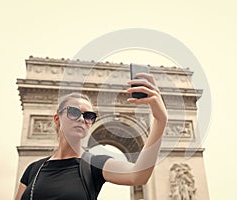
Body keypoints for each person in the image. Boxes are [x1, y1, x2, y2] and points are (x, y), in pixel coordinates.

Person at [15, 72, 168, 200]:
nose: (82, 119)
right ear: (57, 119)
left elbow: (138, 175)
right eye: (74, 112)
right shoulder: (33, 169)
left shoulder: (94, 164)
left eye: (88, 116)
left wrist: (160, 120)